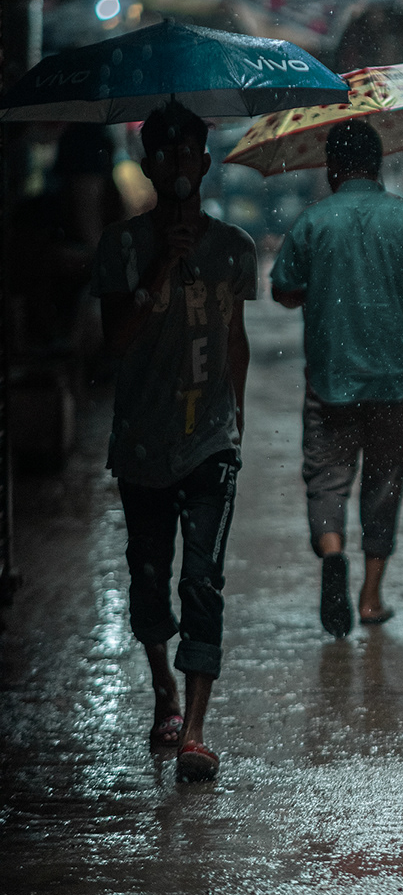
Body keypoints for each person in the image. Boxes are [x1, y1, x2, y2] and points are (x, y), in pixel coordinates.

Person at [91, 100, 257, 783]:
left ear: (205, 163)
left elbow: (234, 340)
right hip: (141, 443)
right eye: (164, 155)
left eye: (189, 153)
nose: (178, 166)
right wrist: (161, 268)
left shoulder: (234, 249)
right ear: (146, 165)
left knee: (203, 581)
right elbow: (116, 341)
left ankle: (194, 728)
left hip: (210, 441)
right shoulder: (121, 247)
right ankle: (162, 684)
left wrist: (237, 419)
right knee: (150, 575)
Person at [271, 118, 403, 637]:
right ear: (377, 165)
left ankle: (332, 554)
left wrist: (322, 284)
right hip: (393, 378)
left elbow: (284, 290)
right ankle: (371, 597)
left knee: (326, 479)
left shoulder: (313, 221)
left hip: (330, 377)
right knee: (384, 482)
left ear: (332, 169)